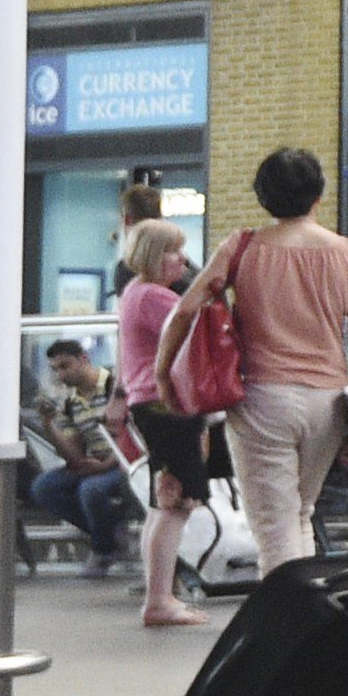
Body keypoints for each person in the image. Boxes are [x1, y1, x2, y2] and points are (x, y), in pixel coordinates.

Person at [157, 147, 348, 577]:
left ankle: (287, 631)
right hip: (327, 403)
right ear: (318, 196)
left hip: (262, 399)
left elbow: (184, 310)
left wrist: (163, 375)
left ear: (263, 197)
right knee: (299, 514)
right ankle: (310, 623)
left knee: (274, 529)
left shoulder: (241, 248)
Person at [111, 218, 214, 629]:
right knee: (176, 503)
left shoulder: (134, 293)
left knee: (163, 502)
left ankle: (160, 593)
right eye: (174, 252)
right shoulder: (155, 298)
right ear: (155, 256)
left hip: (149, 405)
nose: (183, 260)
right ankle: (160, 599)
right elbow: (198, 335)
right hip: (166, 406)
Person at [26, 338, 137, 565]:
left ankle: (104, 548)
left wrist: (106, 464)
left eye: (65, 366)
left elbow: (133, 433)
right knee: (43, 487)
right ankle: (110, 533)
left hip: (124, 462)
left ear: (83, 359)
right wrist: (49, 425)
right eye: (55, 369)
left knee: (91, 489)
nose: (61, 375)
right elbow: (73, 454)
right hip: (96, 463)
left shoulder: (114, 388)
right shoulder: (70, 403)